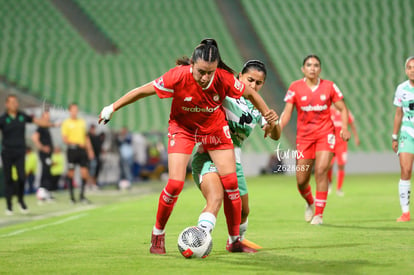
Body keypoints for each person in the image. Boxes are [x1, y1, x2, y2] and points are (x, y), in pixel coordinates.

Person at [99, 38, 278, 254]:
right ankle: (157, 235)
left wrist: (269, 114)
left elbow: (250, 94)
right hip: (182, 128)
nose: (205, 77)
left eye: (210, 72)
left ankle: (234, 241)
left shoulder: (223, 79)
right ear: (191, 64)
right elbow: (143, 91)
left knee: (231, 184)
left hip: (213, 129)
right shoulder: (177, 76)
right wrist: (112, 107)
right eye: (201, 71)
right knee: (175, 184)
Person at [191, 60, 281, 251]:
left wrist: (274, 123)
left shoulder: (257, 107)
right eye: (250, 80)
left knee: (244, 210)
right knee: (215, 198)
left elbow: (274, 134)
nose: (253, 85)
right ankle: (198, 239)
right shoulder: (226, 91)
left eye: (258, 83)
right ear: (240, 76)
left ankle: (235, 243)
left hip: (234, 162)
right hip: (210, 155)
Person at [279, 55, 350, 225]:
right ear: (303, 69)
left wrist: (345, 128)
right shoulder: (295, 87)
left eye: (316, 65)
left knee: (321, 170)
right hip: (304, 137)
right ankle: (310, 202)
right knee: (301, 180)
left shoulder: (329, 86)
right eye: (309, 65)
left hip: (325, 134)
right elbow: (287, 112)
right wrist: (278, 127)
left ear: (320, 69)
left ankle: (319, 214)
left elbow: (343, 108)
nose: (312, 68)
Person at [0, 94, 52, 215]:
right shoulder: (3, 119)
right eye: (11, 102)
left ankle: (21, 200)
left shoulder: (22, 116)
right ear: (6, 104)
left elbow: (37, 121)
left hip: (20, 152)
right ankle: (9, 206)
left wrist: (51, 124)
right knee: (8, 180)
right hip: (7, 152)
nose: (14, 104)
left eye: (16, 102)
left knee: (22, 177)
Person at [392, 55, 414, 222]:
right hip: (408, 132)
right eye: (409, 67)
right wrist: (394, 136)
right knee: (405, 170)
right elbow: (399, 113)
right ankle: (405, 212)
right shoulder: (401, 89)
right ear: (406, 70)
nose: (412, 70)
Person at [61, 103, 94, 204]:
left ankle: (82, 196)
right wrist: (76, 143)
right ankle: (72, 197)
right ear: (69, 111)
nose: (75, 111)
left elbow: (86, 137)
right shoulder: (66, 123)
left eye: (76, 109)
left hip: (82, 151)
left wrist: (90, 150)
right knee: (71, 173)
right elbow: (65, 139)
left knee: (84, 173)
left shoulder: (82, 122)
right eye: (73, 109)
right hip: (72, 150)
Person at [327, 105, 360, 196]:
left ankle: (339, 189)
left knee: (341, 165)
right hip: (331, 143)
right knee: (329, 165)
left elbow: (352, 125)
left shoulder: (346, 113)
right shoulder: (330, 111)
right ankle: (329, 184)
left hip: (342, 144)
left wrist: (356, 138)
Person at [32, 110, 54, 197]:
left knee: (47, 171)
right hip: (44, 154)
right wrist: (42, 147)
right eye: (46, 116)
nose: (48, 117)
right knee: (45, 171)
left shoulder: (46, 127)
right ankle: (41, 191)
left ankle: (46, 191)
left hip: (48, 154)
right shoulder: (41, 127)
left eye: (48, 115)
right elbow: (34, 138)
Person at [88, 124, 104, 189]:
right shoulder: (88, 136)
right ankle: (89, 184)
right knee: (91, 170)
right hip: (91, 156)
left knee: (96, 170)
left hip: (97, 156)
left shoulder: (96, 137)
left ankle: (94, 184)